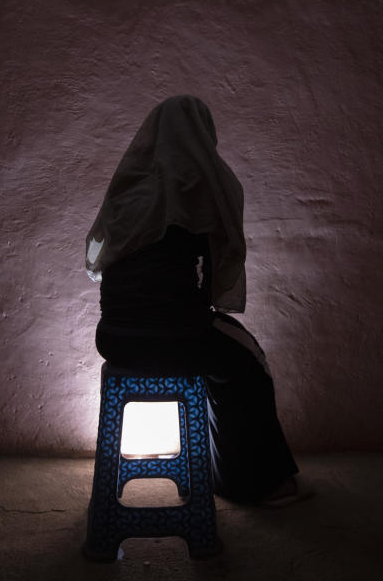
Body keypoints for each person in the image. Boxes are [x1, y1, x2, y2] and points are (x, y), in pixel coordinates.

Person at [85, 94, 310, 506]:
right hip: (177, 339)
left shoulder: (128, 189)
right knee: (247, 363)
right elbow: (208, 281)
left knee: (229, 352)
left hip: (113, 338)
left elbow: (102, 261)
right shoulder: (198, 188)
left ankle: (229, 473)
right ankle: (254, 483)